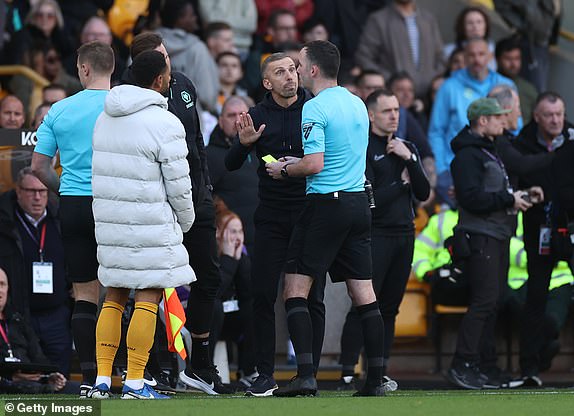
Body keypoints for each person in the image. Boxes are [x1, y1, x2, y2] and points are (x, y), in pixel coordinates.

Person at [266, 40, 386, 397]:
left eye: (300, 65)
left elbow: (315, 164)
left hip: (325, 204)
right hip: (358, 203)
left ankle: (305, 375)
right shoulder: (357, 103)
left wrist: (286, 169)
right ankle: (377, 378)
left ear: (314, 70)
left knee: (295, 289)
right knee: (363, 292)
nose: (297, 71)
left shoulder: (315, 108)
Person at [88, 50, 195, 400]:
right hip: (149, 224)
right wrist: (187, 219)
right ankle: (135, 381)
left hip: (110, 223)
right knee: (147, 297)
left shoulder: (104, 117)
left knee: (114, 297)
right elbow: (179, 185)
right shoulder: (165, 123)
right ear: (160, 80)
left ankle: (103, 379)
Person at [126, 32, 228, 396]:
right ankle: (150, 366)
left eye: (168, 56)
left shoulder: (182, 85)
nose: (168, 64)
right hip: (153, 201)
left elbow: (196, 140)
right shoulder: (125, 95)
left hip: (193, 196)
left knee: (208, 277)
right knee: (149, 282)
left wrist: (205, 189)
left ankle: (199, 365)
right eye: (160, 59)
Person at [225, 52, 325, 397]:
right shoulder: (255, 115)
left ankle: (308, 373)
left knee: (313, 296)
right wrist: (244, 144)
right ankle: (264, 374)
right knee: (262, 295)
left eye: (293, 70)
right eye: (280, 72)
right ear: (267, 82)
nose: (290, 76)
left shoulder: (315, 108)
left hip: (310, 213)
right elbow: (231, 163)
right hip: (270, 217)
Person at [31, 40, 114, 397]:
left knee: (84, 294)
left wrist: (66, 187)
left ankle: (91, 378)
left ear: (83, 69)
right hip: (115, 204)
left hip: (75, 204)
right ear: (112, 69)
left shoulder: (59, 109)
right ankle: (131, 374)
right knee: (121, 292)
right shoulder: (124, 106)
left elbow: (38, 168)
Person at [338, 89, 430, 390]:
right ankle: (347, 371)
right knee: (364, 303)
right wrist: (399, 184)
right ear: (371, 115)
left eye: (397, 110)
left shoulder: (406, 146)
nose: (394, 116)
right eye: (387, 110)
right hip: (375, 234)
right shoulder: (363, 148)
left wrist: (411, 161)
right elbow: (370, 199)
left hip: (405, 234)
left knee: (391, 306)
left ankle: (380, 368)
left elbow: (424, 193)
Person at [446, 97, 536, 390]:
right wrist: (510, 199)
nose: (504, 121)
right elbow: (471, 197)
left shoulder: (488, 151)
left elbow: (489, 191)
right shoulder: (468, 157)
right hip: (481, 235)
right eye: (498, 117)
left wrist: (519, 193)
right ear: (482, 121)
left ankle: (485, 365)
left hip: (496, 235)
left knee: (492, 302)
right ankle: (463, 364)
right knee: (484, 301)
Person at [513, 91, 574, 387]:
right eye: (549, 115)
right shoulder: (522, 143)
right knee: (536, 297)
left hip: (571, 227)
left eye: (559, 114)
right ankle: (529, 368)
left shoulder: (573, 137)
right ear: (536, 117)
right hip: (539, 229)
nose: (556, 120)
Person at [0, 168, 72, 376]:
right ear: (18, 191)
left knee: (60, 374)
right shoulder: (6, 223)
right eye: (31, 191)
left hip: (56, 313)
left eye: (42, 191)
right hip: (20, 313)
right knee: (26, 374)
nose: (37, 197)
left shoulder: (60, 218)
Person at [428, 38, 515, 208]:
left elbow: (514, 126)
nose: (477, 59)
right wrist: (441, 170)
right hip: (454, 167)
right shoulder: (449, 87)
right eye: (472, 55)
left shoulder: (506, 85)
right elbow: (436, 131)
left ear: (490, 56)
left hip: (497, 167)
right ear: (465, 58)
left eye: (481, 54)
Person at [0, 267, 77, 395]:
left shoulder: (17, 320)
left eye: (2, 284)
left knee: (79, 390)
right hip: (8, 385)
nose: (0, 290)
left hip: (33, 383)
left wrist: (49, 376)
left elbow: (39, 358)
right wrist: (11, 377)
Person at [209, 198, 257, 388]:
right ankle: (205, 370)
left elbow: (248, 293)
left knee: (254, 308)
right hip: (207, 318)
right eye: (232, 231)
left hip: (232, 318)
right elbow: (214, 292)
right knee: (215, 307)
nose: (237, 237)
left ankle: (249, 370)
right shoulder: (210, 252)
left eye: (240, 231)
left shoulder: (240, 253)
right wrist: (228, 260)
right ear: (219, 232)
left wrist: (240, 260)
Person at [355, 0, 445, 98]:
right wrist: (388, 79)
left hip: (428, 97)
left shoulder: (428, 20)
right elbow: (364, 57)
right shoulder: (379, 20)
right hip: (394, 97)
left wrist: (433, 78)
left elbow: (441, 57)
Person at [207, 96, 258, 254]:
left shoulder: (263, 151)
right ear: (221, 121)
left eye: (242, 115)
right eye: (231, 115)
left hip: (266, 238)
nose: (237, 120)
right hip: (232, 246)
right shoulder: (209, 156)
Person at [156, 0, 220, 113]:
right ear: (179, 19)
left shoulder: (147, 45)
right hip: (189, 118)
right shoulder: (197, 48)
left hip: (153, 116)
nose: (195, 18)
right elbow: (208, 97)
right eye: (191, 15)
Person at [495, 36, 538, 124]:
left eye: (517, 58)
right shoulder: (487, 83)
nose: (513, 64)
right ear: (497, 60)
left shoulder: (529, 90)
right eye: (508, 59)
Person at [443, 6, 496, 71]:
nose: (475, 27)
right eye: (470, 23)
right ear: (462, 27)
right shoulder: (448, 51)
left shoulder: (494, 50)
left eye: (479, 22)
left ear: (486, 25)